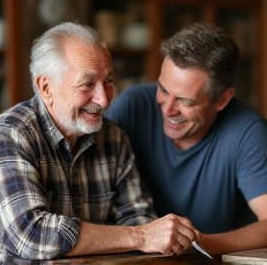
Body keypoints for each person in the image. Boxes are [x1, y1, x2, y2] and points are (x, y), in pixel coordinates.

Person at [0, 21, 199, 263]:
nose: (104, 100)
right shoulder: (9, 135)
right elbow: (32, 235)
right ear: (46, 86)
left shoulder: (114, 137)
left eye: (108, 81)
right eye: (88, 84)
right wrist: (140, 237)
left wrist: (147, 235)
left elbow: (139, 219)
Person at [105, 22, 267, 255]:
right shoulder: (131, 106)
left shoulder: (248, 130)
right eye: (162, 90)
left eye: (186, 101)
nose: (167, 109)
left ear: (222, 99)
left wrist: (195, 244)